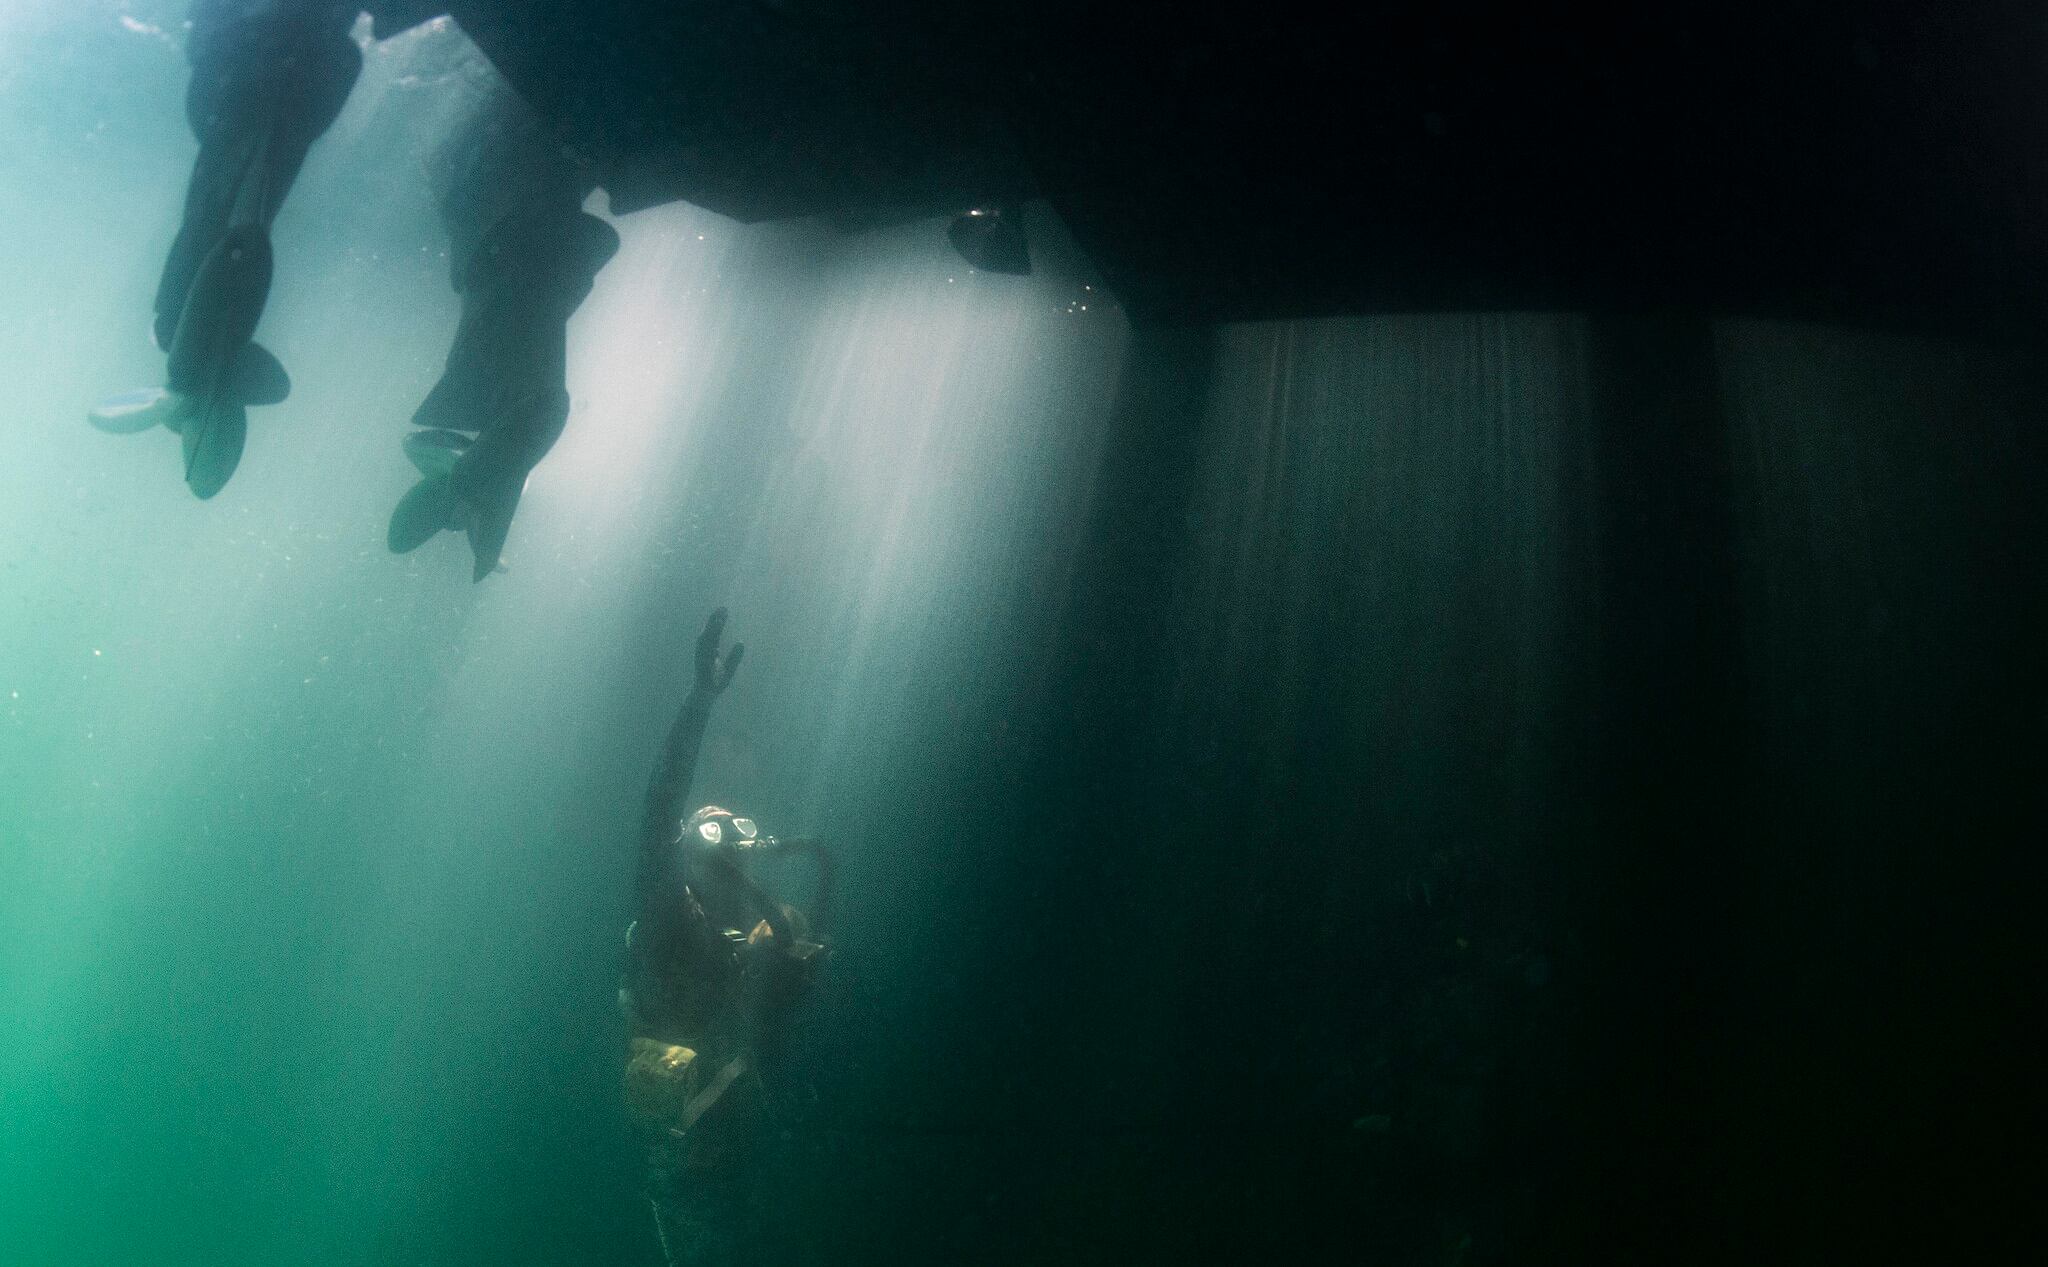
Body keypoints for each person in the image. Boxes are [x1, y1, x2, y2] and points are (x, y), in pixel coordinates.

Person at [621, 609, 828, 1265]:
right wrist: (699, 703)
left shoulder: (727, 931)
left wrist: (788, 941)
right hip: (685, 1154)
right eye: (707, 827)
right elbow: (661, 803)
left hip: (723, 1161)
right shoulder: (666, 906)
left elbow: (778, 969)